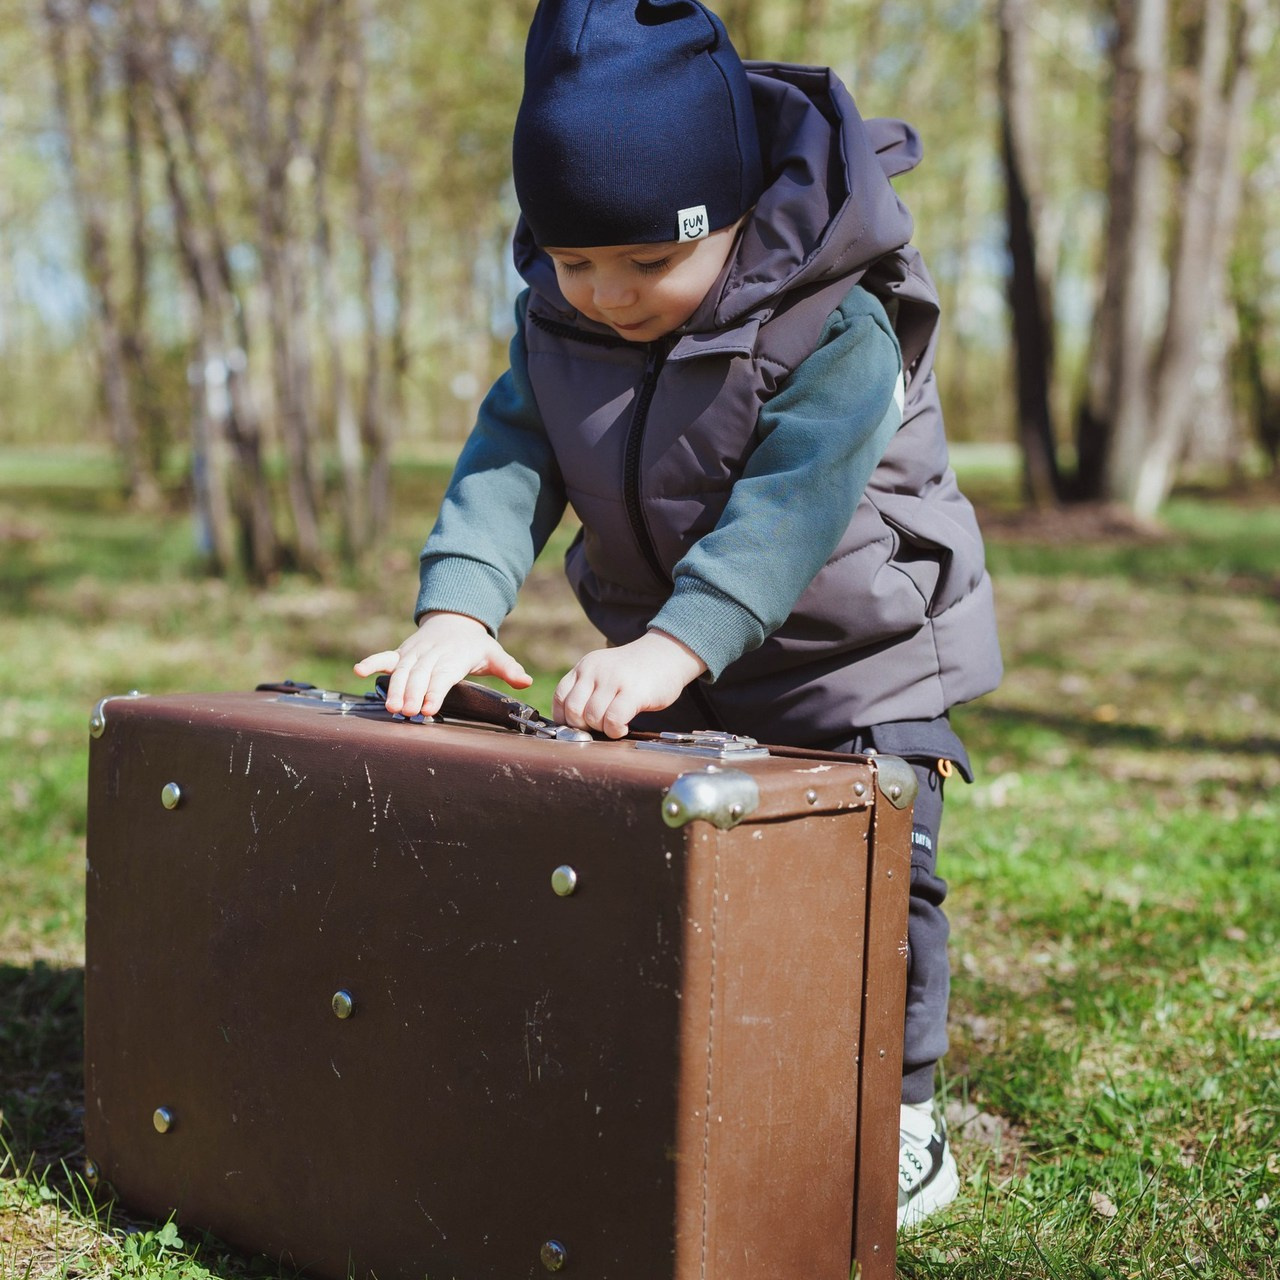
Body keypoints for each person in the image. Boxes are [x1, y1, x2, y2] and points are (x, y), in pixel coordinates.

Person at [355, 0, 1001, 1231]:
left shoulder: (835, 322)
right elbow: (508, 460)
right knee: (673, 865)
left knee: (877, 883)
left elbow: (788, 508)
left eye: (648, 262)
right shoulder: (559, 321)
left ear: (735, 210)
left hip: (853, 661)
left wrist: (672, 641)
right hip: (684, 665)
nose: (608, 294)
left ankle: (900, 1115)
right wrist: (457, 606)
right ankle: (697, 1068)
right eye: (573, 261)